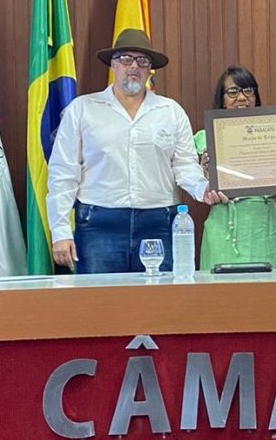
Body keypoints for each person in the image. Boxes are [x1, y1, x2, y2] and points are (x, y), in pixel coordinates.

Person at [47, 28, 223, 274]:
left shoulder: (170, 112)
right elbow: (63, 174)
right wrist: (60, 231)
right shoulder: (82, 110)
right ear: (113, 64)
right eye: (125, 59)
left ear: (150, 69)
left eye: (142, 61)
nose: (134, 66)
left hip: (159, 222)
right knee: (100, 306)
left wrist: (203, 189)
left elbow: (184, 166)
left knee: (159, 306)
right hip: (98, 225)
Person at [193, 66, 276, 270]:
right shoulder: (205, 137)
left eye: (248, 90)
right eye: (233, 92)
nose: (242, 98)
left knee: (266, 294)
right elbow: (196, 182)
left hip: (262, 222)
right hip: (224, 222)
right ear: (222, 99)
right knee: (220, 295)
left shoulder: (275, 135)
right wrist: (204, 173)